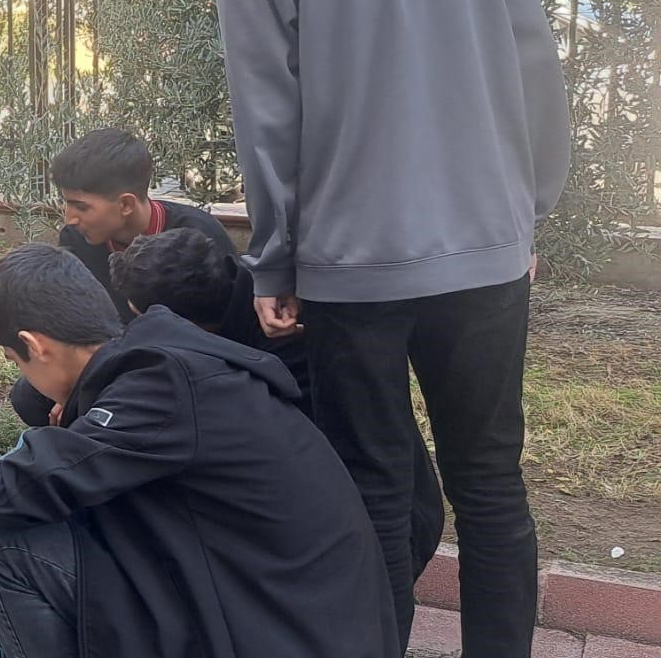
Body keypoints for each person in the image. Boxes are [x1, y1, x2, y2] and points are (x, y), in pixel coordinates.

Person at [210, 0, 570, 658]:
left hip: (352, 265)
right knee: (489, 478)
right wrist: (527, 209)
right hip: (485, 250)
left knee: (371, 487)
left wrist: (275, 262)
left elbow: (267, 116)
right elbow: (534, 61)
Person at [0, 245, 395, 658]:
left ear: (33, 345)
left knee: (3, 546)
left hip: (290, 642)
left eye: (17, 362)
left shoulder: (158, 388)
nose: (24, 379)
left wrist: (58, 438)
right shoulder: (171, 357)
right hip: (307, 629)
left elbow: (6, 496)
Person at [109, 229, 447, 578]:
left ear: (183, 323)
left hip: (381, 534)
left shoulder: (281, 357)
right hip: (379, 512)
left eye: (145, 321)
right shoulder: (251, 298)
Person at [8, 126, 235, 425]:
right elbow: (75, 321)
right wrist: (74, 388)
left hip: (189, 367)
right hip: (114, 358)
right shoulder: (77, 241)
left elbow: (223, 333)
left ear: (126, 204)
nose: (69, 217)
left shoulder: (198, 235)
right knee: (29, 397)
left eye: (81, 206)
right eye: (67, 203)